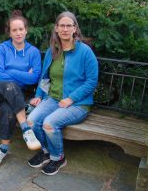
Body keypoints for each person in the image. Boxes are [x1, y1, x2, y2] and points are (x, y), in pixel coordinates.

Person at [27, 11, 98, 175]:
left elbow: (92, 81)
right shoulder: (53, 51)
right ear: (56, 29)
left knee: (49, 123)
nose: (65, 29)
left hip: (79, 104)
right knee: (31, 120)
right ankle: (45, 152)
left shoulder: (85, 52)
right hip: (53, 99)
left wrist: (71, 98)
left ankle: (58, 158)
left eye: (69, 25)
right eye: (62, 26)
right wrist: (38, 95)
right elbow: (45, 78)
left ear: (75, 29)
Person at [0, 10, 42, 168]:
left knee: (8, 109)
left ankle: (3, 149)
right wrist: (23, 74)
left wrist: (10, 72)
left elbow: (35, 77)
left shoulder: (33, 52)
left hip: (14, 94)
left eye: (21, 29)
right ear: (9, 32)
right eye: (14, 30)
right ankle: (26, 129)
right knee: (10, 86)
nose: (18, 33)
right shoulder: (1, 49)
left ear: (26, 30)